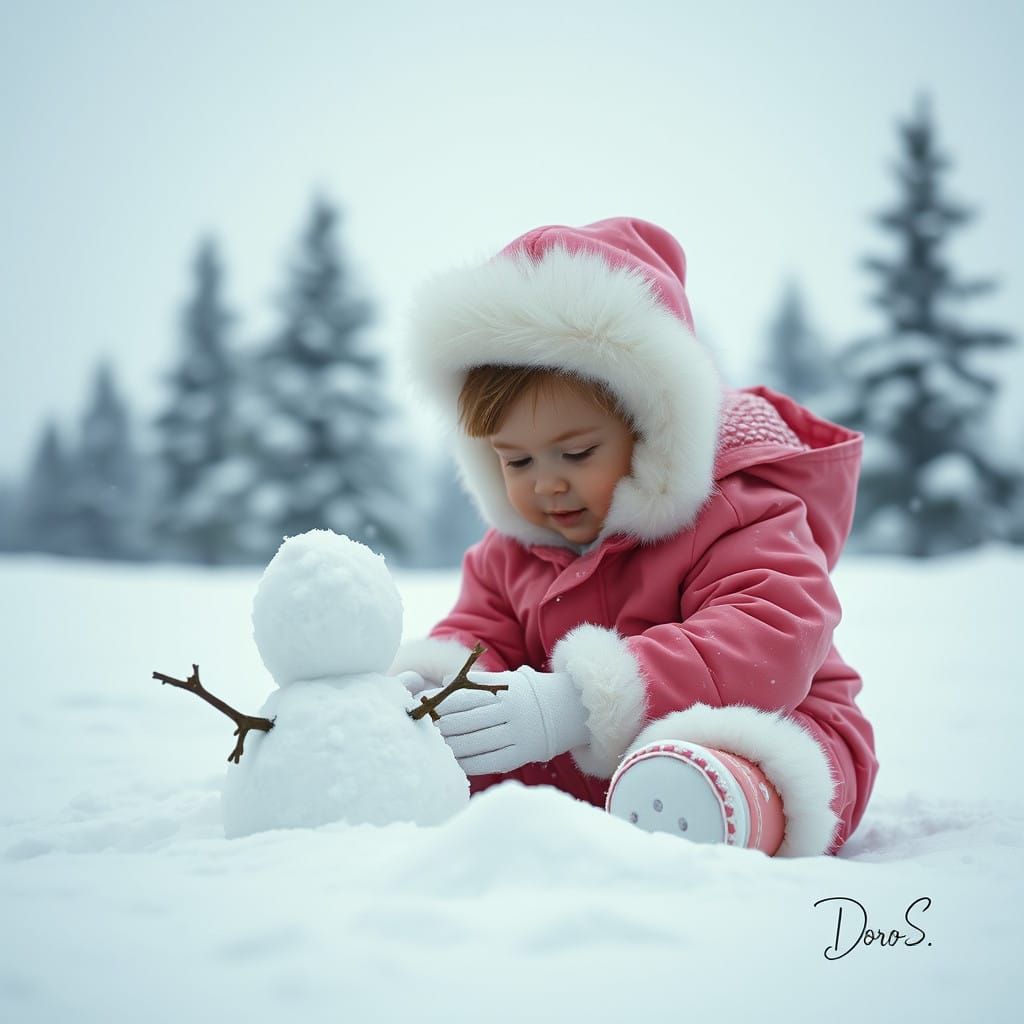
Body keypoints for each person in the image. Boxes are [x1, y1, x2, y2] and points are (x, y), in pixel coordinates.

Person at [391, 217, 878, 857]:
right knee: (464, 748)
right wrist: (442, 693)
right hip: (576, 767)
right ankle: (384, 777)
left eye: (577, 452)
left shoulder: (736, 511)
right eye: (517, 462)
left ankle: (724, 808)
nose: (548, 487)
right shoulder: (508, 553)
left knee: (754, 755)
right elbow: (482, 634)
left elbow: (771, 630)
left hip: (766, 715)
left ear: (652, 432)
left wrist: (576, 701)